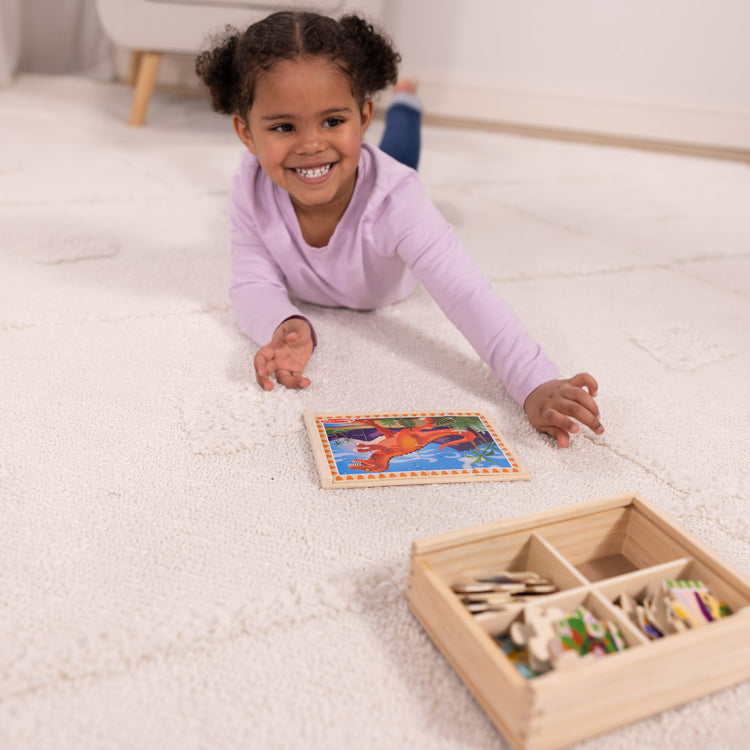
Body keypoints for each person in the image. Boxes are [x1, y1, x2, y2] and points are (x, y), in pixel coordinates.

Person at [195, 11, 604, 448]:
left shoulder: (396, 201)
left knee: (402, 156)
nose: (311, 144)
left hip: (388, 191)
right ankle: (394, 107)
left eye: (334, 121)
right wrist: (285, 324)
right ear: (246, 134)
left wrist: (534, 382)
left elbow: (468, 295)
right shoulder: (250, 183)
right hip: (353, 173)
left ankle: (405, 101)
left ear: (364, 115)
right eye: (283, 127)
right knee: (369, 158)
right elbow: (250, 281)